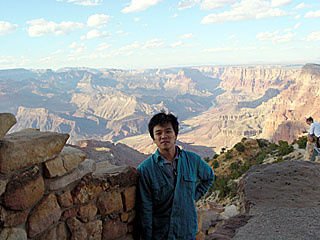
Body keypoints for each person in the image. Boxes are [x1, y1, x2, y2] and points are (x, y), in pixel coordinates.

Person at [137, 112, 214, 240]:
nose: (164, 136)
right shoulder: (146, 170)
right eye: (159, 133)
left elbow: (209, 177)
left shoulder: (193, 160)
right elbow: (146, 209)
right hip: (162, 234)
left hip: (187, 231)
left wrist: (193, 196)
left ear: (176, 135)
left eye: (168, 131)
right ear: (153, 138)